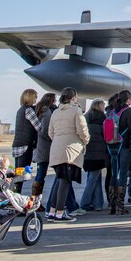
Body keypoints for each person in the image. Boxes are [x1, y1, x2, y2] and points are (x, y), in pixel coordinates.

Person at [47, 87, 90, 223]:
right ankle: (60, 213)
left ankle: (52, 211)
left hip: (56, 149)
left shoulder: (55, 112)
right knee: (65, 181)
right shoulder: (76, 110)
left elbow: (50, 132)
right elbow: (82, 130)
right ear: (73, 98)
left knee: (60, 180)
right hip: (70, 150)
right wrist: (86, 140)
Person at [106, 89, 131, 216]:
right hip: (124, 147)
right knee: (123, 175)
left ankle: (111, 206)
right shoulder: (129, 111)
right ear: (128, 100)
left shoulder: (112, 112)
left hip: (112, 147)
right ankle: (120, 206)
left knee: (114, 174)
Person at [12, 89, 42, 192]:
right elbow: (38, 126)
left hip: (18, 146)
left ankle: (14, 198)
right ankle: (15, 199)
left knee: (18, 175)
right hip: (25, 147)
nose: (36, 99)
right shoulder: (29, 110)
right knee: (21, 176)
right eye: (35, 96)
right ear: (30, 97)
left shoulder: (21, 110)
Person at [80, 99, 107, 212]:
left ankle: (97, 203)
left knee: (94, 177)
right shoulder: (103, 119)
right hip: (99, 152)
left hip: (88, 151)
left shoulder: (86, 117)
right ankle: (84, 202)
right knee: (94, 178)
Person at [32, 92, 57, 209]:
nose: (55, 102)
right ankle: (36, 202)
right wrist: (53, 138)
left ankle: (35, 201)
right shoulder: (47, 112)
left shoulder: (40, 110)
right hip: (46, 148)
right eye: (54, 100)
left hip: (41, 147)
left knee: (40, 174)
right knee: (42, 174)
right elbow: (45, 131)